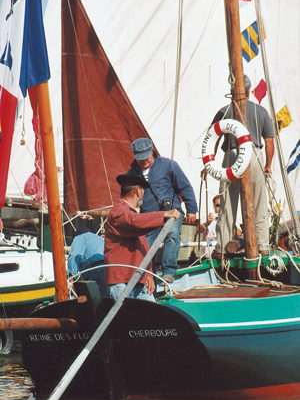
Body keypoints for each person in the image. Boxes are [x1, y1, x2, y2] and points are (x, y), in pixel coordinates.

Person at [211, 75, 274, 257]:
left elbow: (213, 137)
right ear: (248, 91)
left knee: (227, 203)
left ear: (232, 92)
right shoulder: (261, 112)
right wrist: (268, 165)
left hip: (231, 154)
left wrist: (211, 161)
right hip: (254, 154)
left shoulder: (224, 111)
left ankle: (222, 247)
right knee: (259, 202)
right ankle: (262, 245)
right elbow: (269, 141)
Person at [127, 137, 197, 285]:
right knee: (145, 246)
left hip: (173, 213)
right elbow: (128, 198)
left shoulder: (169, 165)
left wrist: (192, 210)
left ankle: (168, 273)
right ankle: (148, 277)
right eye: (140, 159)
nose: (144, 161)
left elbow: (185, 187)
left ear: (152, 152)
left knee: (172, 234)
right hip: (149, 217)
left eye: (146, 157)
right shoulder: (131, 174)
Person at [104, 174, 181, 301]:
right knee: (126, 319)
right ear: (138, 191)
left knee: (149, 318)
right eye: (143, 190)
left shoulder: (130, 214)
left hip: (139, 280)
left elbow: (144, 248)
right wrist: (164, 214)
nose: (144, 194)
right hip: (121, 281)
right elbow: (134, 221)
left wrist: (148, 274)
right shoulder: (118, 212)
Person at [68, 228, 106, 296]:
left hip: (94, 270)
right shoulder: (100, 238)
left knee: (96, 302)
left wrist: (71, 276)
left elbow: (74, 255)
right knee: (107, 299)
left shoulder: (80, 237)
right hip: (108, 269)